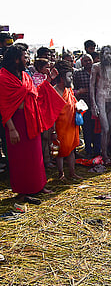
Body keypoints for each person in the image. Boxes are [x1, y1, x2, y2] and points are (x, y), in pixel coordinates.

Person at [0, 45, 65, 201]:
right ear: (16, 59)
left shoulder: (25, 75)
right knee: (20, 158)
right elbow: (3, 105)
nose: (27, 59)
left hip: (31, 119)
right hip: (16, 123)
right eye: (25, 56)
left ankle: (39, 186)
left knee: (36, 156)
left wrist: (49, 80)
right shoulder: (3, 78)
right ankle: (23, 191)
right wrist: (12, 129)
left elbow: (34, 93)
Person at [53, 61, 82, 180]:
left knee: (71, 150)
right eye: (69, 77)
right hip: (60, 127)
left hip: (71, 125)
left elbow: (74, 103)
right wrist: (53, 131)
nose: (71, 79)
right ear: (61, 78)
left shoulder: (68, 90)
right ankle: (61, 174)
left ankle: (72, 173)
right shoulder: (54, 92)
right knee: (60, 152)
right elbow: (52, 114)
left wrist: (79, 108)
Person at [73, 54, 100, 158]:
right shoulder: (78, 73)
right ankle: (88, 150)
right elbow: (73, 89)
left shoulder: (98, 72)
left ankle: (98, 149)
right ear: (81, 62)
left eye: (89, 60)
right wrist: (79, 92)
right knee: (87, 129)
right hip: (84, 105)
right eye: (85, 61)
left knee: (97, 128)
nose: (88, 62)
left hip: (97, 104)